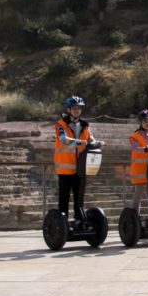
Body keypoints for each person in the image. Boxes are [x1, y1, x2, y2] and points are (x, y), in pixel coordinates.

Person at [54, 95, 102, 227]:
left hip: (80, 168)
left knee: (79, 199)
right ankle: (62, 226)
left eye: (79, 108)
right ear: (69, 109)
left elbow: (91, 140)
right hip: (65, 169)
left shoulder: (85, 126)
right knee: (64, 199)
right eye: (74, 108)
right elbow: (63, 140)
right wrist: (80, 142)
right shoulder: (61, 124)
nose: (76, 110)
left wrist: (99, 143)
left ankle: (79, 221)